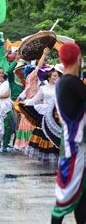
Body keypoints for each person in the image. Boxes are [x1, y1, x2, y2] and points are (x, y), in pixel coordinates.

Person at [51, 43, 85, 223]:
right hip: (75, 146)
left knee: (80, 194)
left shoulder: (63, 82)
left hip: (75, 146)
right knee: (66, 196)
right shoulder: (72, 83)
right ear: (78, 59)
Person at [21, 66, 61, 162]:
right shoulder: (43, 88)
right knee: (45, 134)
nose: (56, 77)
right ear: (49, 77)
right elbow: (35, 100)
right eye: (54, 76)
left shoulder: (61, 87)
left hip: (57, 115)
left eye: (57, 76)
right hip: (45, 113)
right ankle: (47, 156)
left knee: (56, 135)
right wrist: (25, 102)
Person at [0, 67, 12, 150]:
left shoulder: (7, 83)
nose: (0, 74)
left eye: (2, 73)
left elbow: (7, 94)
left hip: (5, 108)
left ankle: (5, 145)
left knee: (6, 127)